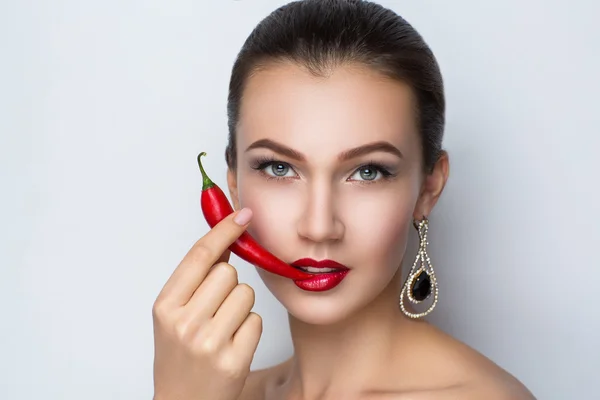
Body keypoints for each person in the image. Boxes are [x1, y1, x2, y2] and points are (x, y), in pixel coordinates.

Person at [152, 1, 536, 399]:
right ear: (234, 184)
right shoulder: (216, 391)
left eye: (368, 171)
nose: (319, 227)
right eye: (279, 168)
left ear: (428, 188)